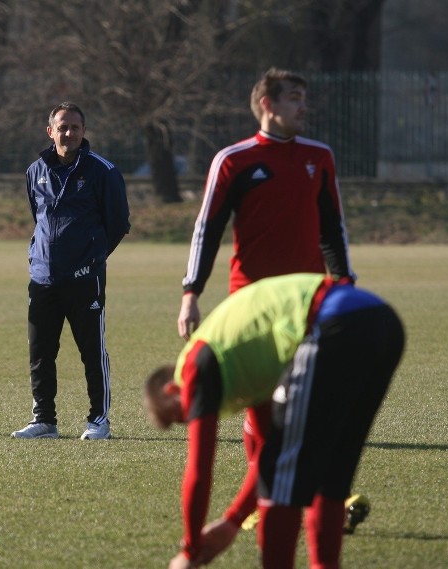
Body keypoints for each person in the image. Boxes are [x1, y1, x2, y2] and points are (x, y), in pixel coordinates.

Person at [176, 67, 356, 548]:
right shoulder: (234, 160)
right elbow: (207, 229)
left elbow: (332, 228)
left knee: (309, 403)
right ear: (267, 104)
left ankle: (307, 494)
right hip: (252, 304)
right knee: (264, 408)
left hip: (310, 305)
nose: (304, 106)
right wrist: (191, 291)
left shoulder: (320, 157)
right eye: (294, 98)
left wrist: (345, 285)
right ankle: (267, 503)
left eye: (304, 97)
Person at [146, 273, 404, 569]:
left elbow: (200, 469)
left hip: (333, 323)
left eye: (181, 414)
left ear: (171, 390)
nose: (193, 419)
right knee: (331, 474)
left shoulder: (195, 364)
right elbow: (268, 448)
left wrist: (191, 550)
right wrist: (232, 522)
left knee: (280, 478)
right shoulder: (248, 368)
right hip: (383, 323)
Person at [11, 102, 131, 440]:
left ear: (84, 131)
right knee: (40, 352)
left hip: (84, 280)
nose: (69, 133)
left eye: (75, 127)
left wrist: (90, 259)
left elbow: (119, 223)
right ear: (50, 131)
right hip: (43, 279)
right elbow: (40, 218)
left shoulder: (102, 171)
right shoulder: (35, 170)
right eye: (63, 127)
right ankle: (44, 419)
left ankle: (98, 420)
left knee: (91, 351)